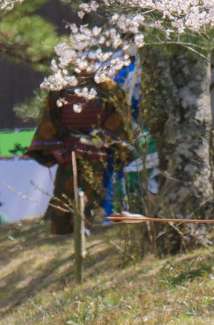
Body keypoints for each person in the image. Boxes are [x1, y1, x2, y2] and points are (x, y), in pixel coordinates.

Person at [28, 71, 135, 234]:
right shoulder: (60, 86)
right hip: (67, 150)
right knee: (64, 196)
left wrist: (105, 141)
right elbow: (49, 118)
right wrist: (54, 147)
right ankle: (63, 231)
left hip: (99, 151)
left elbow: (120, 116)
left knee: (94, 194)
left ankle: (90, 228)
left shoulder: (108, 87)